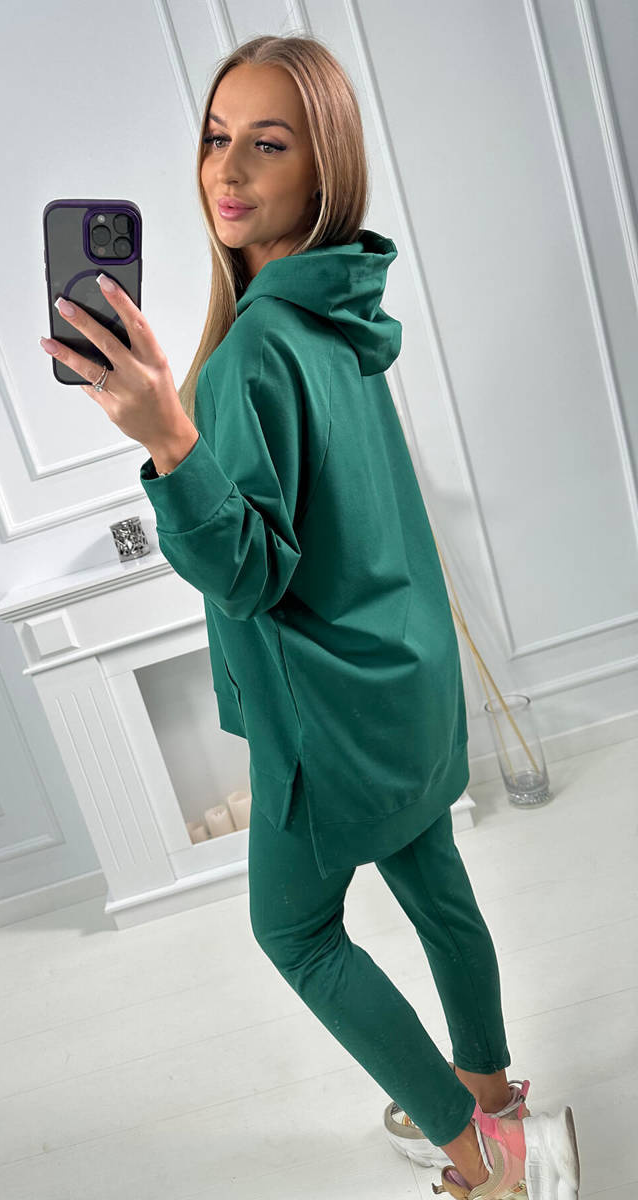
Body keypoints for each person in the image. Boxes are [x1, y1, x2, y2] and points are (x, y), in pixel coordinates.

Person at [137, 33, 581, 1200]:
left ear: (322, 166)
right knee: (434, 883)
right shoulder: (338, 313)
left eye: (267, 144)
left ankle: (480, 1157)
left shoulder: (250, 354)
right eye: (215, 138)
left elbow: (245, 573)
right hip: (405, 676)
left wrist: (167, 438)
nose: (227, 169)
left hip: (324, 717)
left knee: (293, 932)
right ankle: (489, 1088)